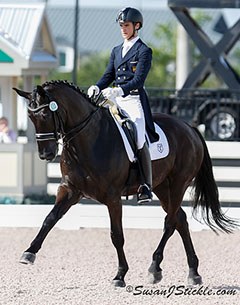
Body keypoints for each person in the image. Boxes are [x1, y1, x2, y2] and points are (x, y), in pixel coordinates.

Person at [88, 7, 159, 204]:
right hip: (114, 98)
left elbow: (138, 80)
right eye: (121, 26)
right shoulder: (116, 50)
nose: (123, 29)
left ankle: (145, 185)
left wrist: (119, 90)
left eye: (126, 26)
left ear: (137, 26)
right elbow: (109, 75)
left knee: (137, 136)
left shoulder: (144, 51)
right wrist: (97, 86)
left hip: (133, 99)